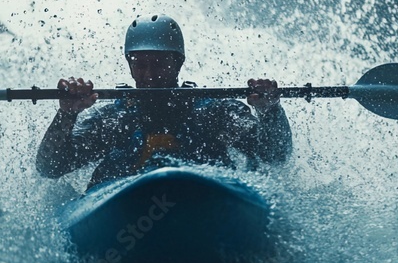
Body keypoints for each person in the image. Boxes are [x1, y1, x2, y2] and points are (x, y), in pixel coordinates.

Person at [36, 14, 292, 190]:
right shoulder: (112, 120)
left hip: (204, 208)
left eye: (159, 64)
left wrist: (269, 111)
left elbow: (274, 154)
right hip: (125, 218)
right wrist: (66, 115)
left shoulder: (215, 112)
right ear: (129, 65)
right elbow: (50, 167)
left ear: (178, 63)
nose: (149, 75)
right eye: (140, 64)